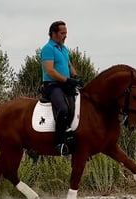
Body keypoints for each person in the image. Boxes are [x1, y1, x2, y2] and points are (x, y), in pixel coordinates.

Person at [41, 21, 82, 156]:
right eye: (62, 33)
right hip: (52, 86)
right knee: (63, 109)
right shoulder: (48, 49)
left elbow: (69, 66)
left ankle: (74, 139)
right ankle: (59, 143)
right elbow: (50, 71)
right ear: (54, 33)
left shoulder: (64, 49)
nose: (65, 36)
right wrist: (67, 80)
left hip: (65, 84)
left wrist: (76, 76)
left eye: (66, 33)